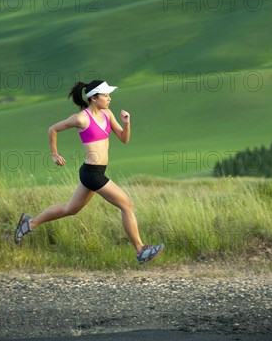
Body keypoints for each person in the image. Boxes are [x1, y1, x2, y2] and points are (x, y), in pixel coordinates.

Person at [14, 79, 165, 265]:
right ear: (94, 98)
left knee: (71, 209)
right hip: (92, 174)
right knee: (127, 205)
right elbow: (52, 129)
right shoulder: (81, 118)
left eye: (109, 95)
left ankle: (28, 224)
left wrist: (127, 123)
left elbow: (124, 139)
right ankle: (140, 250)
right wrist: (54, 154)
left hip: (93, 172)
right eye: (106, 95)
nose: (109, 99)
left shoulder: (107, 114)